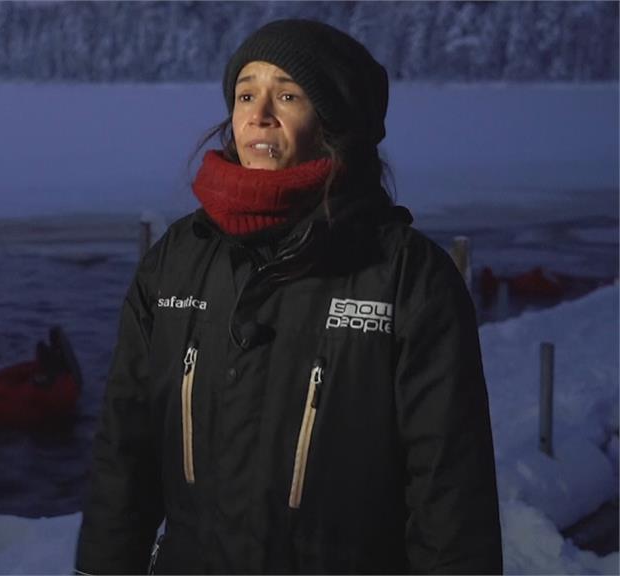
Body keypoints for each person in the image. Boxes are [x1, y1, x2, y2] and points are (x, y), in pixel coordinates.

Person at [76, 19, 502, 574]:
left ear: (335, 121)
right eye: (246, 93)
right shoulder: (177, 259)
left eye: (289, 95)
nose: (259, 113)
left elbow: (450, 491)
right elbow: (123, 453)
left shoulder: (406, 277)